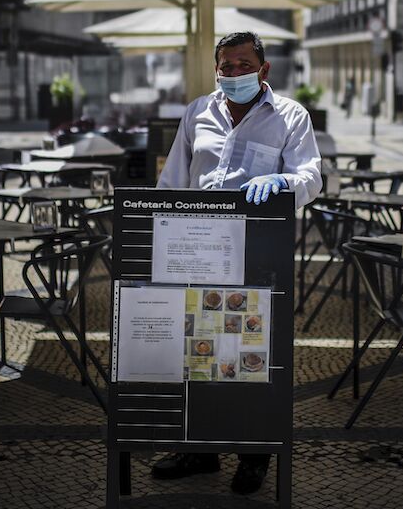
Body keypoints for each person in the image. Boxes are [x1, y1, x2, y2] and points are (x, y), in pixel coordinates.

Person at [153, 30, 322, 495]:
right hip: (199, 250)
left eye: (242, 66)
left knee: (251, 354)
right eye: (224, 67)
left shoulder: (290, 116)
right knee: (198, 352)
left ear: (264, 70)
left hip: (259, 255)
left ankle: (254, 455)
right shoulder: (198, 112)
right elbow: (173, 181)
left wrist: (283, 182)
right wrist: (161, 241)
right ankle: (200, 449)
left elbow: (311, 176)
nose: (232, 74)